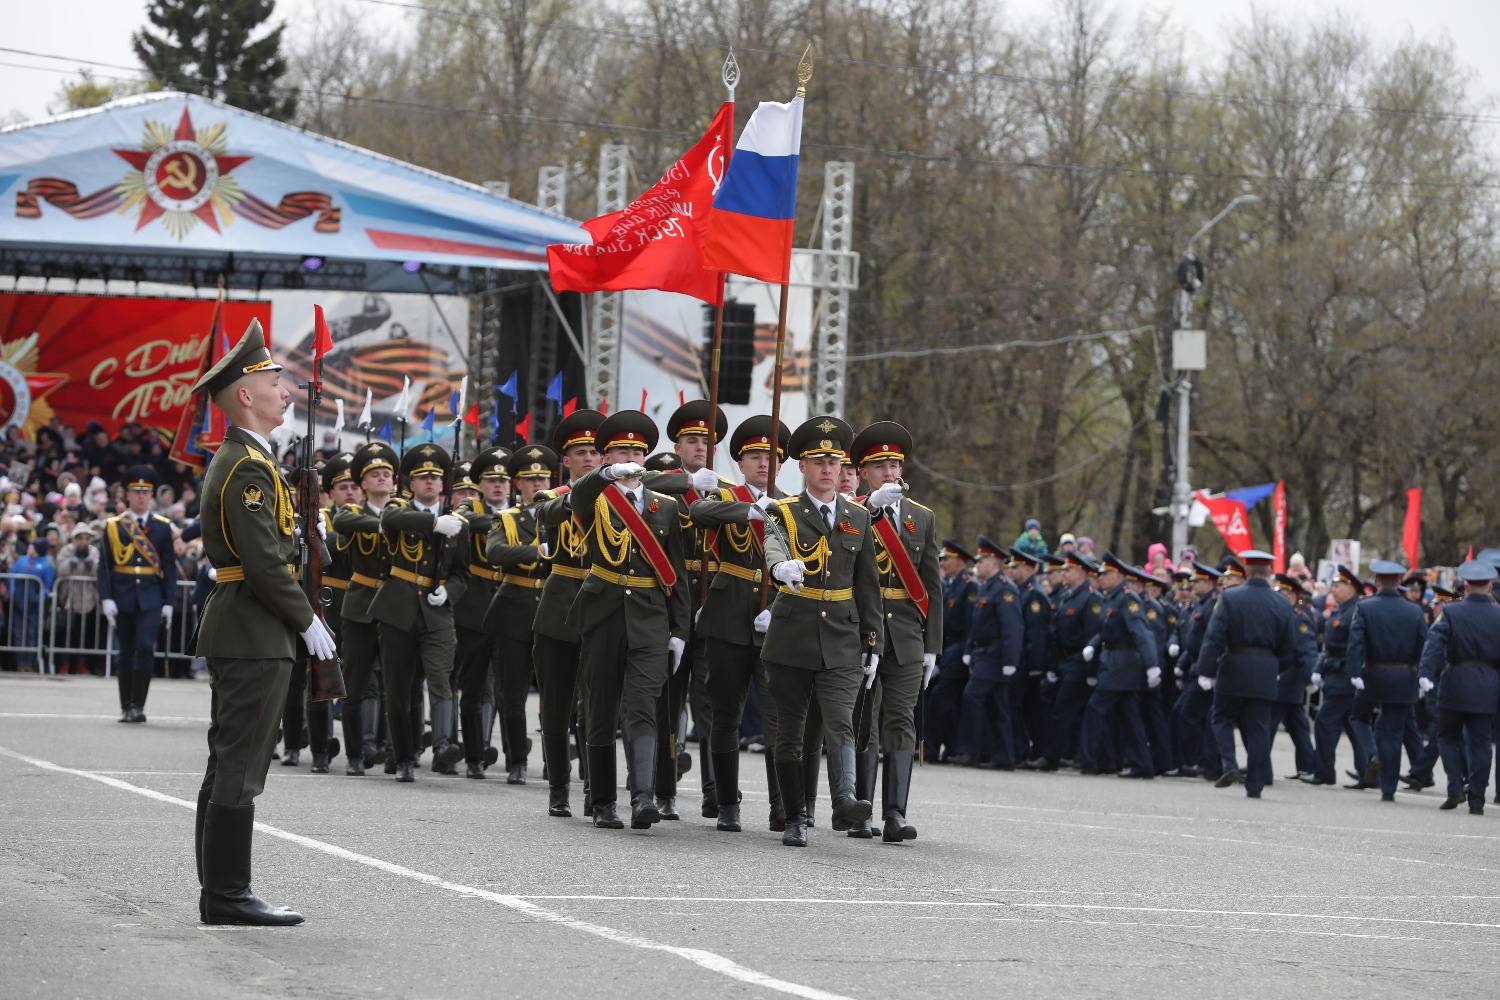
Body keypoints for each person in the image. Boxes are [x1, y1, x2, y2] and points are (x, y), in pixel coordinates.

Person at [189, 318, 335, 925]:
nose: (285, 389)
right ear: (245, 395)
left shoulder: (254, 460)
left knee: (229, 759)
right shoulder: (247, 466)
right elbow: (262, 561)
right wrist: (307, 621)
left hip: (248, 624)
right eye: (273, 379)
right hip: (253, 626)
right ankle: (226, 895)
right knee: (243, 761)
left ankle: (218, 891)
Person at [761, 416, 883, 848]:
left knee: (840, 723)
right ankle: (795, 816)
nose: (828, 468)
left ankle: (846, 799)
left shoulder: (857, 517)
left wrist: (873, 642)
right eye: (818, 461)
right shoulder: (784, 511)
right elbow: (772, 543)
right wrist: (780, 566)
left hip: (842, 639)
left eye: (834, 461)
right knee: (790, 732)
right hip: (792, 636)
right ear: (802, 467)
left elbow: (868, 585)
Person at [568, 410, 690, 830]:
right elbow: (577, 496)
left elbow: (677, 573)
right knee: (600, 706)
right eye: (623, 450)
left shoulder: (666, 506)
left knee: (643, 705)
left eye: (638, 450)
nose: (632, 457)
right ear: (607, 457)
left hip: (651, 617)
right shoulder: (595, 497)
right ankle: (602, 801)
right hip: (603, 612)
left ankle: (642, 798)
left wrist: (680, 631)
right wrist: (605, 475)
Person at [687, 415, 791, 833]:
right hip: (728, 617)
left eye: (770, 457)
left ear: (781, 465)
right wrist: (749, 508)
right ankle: (727, 802)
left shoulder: (790, 507)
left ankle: (782, 804)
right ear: (741, 463)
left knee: (778, 718)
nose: (763, 463)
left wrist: (781, 602)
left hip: (774, 620)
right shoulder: (726, 496)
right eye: (754, 456)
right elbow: (699, 511)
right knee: (724, 714)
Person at [848, 420, 941, 842]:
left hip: (906, 634)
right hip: (863, 632)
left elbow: (932, 587)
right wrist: (868, 508)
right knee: (863, 720)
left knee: (901, 721)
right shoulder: (850, 512)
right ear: (864, 472)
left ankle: (896, 815)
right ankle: (862, 811)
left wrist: (932, 647)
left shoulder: (922, 518)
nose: (890, 473)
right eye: (880, 466)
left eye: (895, 465)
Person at [370, 444, 471, 782]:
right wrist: (433, 522)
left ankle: (443, 746)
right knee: (399, 686)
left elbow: (461, 573)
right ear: (411, 484)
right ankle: (402, 757)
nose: (430, 482)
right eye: (422, 477)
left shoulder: (458, 524)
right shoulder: (400, 509)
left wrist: (450, 591)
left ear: (443, 485)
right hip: (398, 607)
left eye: (435, 477)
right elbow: (389, 517)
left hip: (436, 612)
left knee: (441, 677)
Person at [532, 409, 605, 818]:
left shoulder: (620, 497)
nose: (590, 459)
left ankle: (596, 787)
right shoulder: (553, 496)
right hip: (559, 606)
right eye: (581, 452)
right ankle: (558, 786)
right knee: (556, 702)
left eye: (596, 452)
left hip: (602, 605)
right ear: (568, 460)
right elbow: (548, 513)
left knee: (596, 703)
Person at [1194, 549, 1298, 798]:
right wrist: (1275, 666)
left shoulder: (1230, 597)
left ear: (1247, 571)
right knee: (1259, 727)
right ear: (1270, 572)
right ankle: (1255, 785)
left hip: (1234, 666)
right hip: (1265, 669)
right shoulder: (1282, 602)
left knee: (1221, 717)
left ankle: (1229, 764)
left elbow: (1215, 637)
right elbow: (1289, 645)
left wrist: (1206, 670)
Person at [484, 445, 560, 783]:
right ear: (518, 484)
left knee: (557, 694)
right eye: (530, 479)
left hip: (555, 607)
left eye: (543, 477)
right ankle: (516, 760)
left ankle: (554, 762)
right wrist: (536, 550)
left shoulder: (563, 515)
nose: (537, 484)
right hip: (515, 608)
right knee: (511, 692)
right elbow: (495, 551)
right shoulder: (508, 518)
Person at [331, 442, 398, 775]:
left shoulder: (403, 509)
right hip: (359, 607)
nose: (382, 478)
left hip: (394, 608)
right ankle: (356, 753)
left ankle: (388, 749)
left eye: (387, 473)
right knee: (354, 684)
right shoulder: (352, 513)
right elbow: (343, 524)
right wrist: (390, 522)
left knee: (393, 684)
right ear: (364, 484)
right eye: (375, 474)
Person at [1419, 560, 1500, 814]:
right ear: (1489, 587)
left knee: (1447, 736)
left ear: (1465, 586)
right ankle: (1477, 800)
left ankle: (1455, 786)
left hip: (1455, 681)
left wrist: (1425, 674)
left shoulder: (1452, 612)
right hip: (1488, 684)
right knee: (1481, 743)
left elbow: (1434, 646)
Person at [98, 465, 178, 721]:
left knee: (145, 647)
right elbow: (104, 567)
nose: (141, 497)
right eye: (136, 492)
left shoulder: (163, 527)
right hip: (122, 595)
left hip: (151, 596)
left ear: (151, 495)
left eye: (145, 492)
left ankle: (138, 705)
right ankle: (125, 706)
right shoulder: (113, 526)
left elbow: (168, 567)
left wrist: (169, 601)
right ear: (127, 495)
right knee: (126, 649)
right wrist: (106, 598)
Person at [1347, 559, 1430, 801]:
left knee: (1358, 717)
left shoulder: (1365, 607)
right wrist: (1417, 672)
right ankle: (1388, 789)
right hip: (1403, 676)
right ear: (1398, 583)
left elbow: (1356, 644)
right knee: (1394, 733)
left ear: (1377, 581)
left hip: (1373, 674)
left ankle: (1372, 754)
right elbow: (1422, 646)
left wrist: (1354, 672)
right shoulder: (1414, 610)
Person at [1076, 554, 1157, 779]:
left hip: (1121, 664)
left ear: (1119, 576)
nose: (1101, 578)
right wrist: (1093, 645)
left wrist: (1152, 665)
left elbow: (1141, 633)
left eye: (1106, 574)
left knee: (1095, 708)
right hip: (1112, 661)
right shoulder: (1110, 597)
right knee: (1129, 716)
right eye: (1100, 574)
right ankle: (1142, 764)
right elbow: (1105, 631)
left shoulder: (1127, 599)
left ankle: (1089, 759)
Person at [952, 537, 1023, 770]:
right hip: (983, 653)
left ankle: (970, 750)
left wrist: (1010, 660)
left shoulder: (1004, 590)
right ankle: (1003, 756)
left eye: (981, 561)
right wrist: (968, 649)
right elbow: (976, 624)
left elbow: (1012, 628)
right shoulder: (987, 587)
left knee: (972, 697)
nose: (977, 565)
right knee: (999, 706)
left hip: (995, 655)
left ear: (993, 563)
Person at [1307, 565, 1365, 786]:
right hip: (1333, 671)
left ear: (1350, 588)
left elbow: (1355, 646)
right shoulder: (1341, 610)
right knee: (1351, 724)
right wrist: (1318, 669)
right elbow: (1328, 647)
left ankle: (1324, 772)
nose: (1333, 590)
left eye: (1338, 586)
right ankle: (1367, 769)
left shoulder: (1355, 611)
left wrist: (1353, 672)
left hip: (1344, 675)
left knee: (1323, 721)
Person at [925, 538, 977, 764]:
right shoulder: (952, 584)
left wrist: (966, 652)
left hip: (959, 648)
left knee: (941, 697)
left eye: (947, 559)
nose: (943, 563)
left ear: (959, 561)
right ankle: (948, 747)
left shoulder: (969, 586)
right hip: (947, 647)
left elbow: (971, 623)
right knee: (943, 698)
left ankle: (932, 749)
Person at [55, 522, 102, 675]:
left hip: (88, 599)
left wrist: (90, 563)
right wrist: (73, 561)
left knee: (86, 634)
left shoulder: (94, 552)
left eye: (86, 539)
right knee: (68, 633)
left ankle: (82, 662)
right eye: (80, 538)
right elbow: (61, 571)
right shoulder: (66, 551)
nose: (83, 541)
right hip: (69, 598)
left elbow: (100, 572)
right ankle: (65, 663)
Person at [11, 537, 53, 671]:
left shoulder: (46, 565)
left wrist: (38, 598)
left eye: (33, 546)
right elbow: (12, 576)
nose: (30, 548)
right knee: (18, 633)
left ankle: (28, 662)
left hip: (33, 606)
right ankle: (19, 662)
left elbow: (47, 585)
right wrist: (13, 592)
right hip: (18, 602)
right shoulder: (21, 560)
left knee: (31, 633)